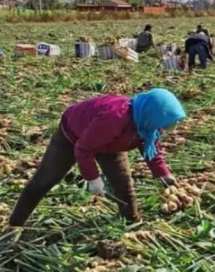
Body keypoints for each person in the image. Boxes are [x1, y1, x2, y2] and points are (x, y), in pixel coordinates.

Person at [7, 89, 187, 226]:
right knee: (45, 180)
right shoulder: (114, 118)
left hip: (112, 143)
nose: (168, 128)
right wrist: (92, 178)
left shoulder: (146, 123)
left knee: (123, 185)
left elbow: (151, 146)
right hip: (73, 137)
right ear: (152, 113)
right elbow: (83, 148)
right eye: (167, 123)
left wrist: (162, 173)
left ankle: (132, 223)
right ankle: (15, 224)